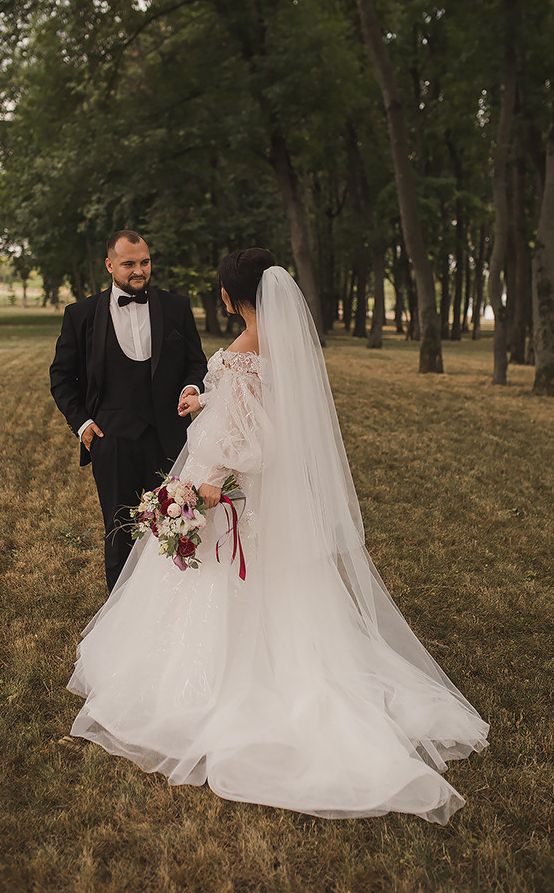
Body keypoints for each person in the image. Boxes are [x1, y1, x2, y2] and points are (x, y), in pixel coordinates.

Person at [67, 249, 489, 824]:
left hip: (233, 493)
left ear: (230, 297)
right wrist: (205, 399)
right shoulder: (288, 349)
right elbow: (264, 415)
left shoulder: (241, 353)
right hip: (277, 498)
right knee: (285, 591)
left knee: (217, 586)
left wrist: (202, 485)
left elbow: (240, 438)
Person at [50, 230, 207, 592]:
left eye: (145, 262)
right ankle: (118, 610)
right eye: (129, 264)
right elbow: (60, 376)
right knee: (119, 530)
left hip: (168, 437)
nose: (139, 270)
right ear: (109, 265)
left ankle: (173, 603)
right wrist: (83, 423)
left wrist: (192, 387)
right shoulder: (81, 314)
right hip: (112, 439)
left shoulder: (176, 307)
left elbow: (195, 363)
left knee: (177, 527)